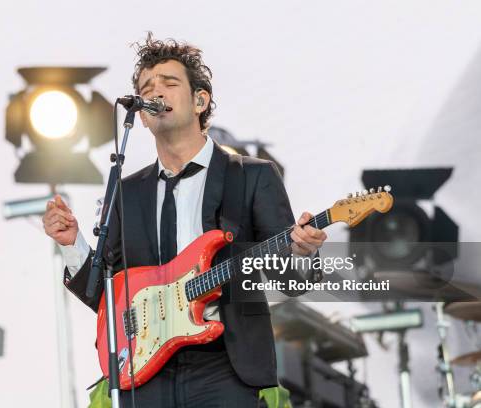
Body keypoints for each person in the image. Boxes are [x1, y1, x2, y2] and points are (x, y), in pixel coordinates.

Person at [43, 33, 327, 408]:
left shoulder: (252, 176)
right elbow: (106, 297)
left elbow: (288, 279)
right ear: (141, 116)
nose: (155, 91)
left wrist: (302, 252)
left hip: (225, 363)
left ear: (200, 100)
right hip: (145, 371)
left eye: (169, 82)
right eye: (147, 87)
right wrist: (73, 246)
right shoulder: (127, 193)